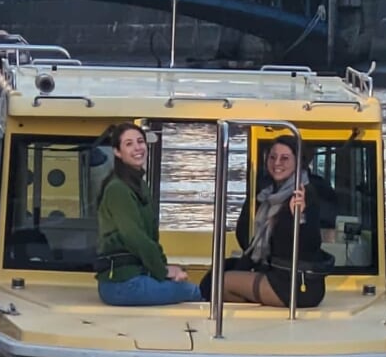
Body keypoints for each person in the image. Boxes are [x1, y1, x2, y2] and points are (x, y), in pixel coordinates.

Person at [95, 123, 202, 306]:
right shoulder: (117, 189)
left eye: (140, 141)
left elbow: (150, 236)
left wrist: (164, 267)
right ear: (117, 152)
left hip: (137, 275)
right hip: (121, 284)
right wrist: (163, 271)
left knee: (185, 284)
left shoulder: (139, 185)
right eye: (129, 144)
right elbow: (134, 236)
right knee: (193, 291)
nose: (137, 148)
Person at [222, 134, 333, 307]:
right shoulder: (269, 194)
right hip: (277, 274)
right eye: (272, 157)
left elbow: (311, 245)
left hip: (297, 283)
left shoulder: (305, 194)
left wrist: (301, 218)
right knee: (219, 273)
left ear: (299, 162)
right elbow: (250, 240)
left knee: (222, 284)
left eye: (285, 158)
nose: (277, 163)